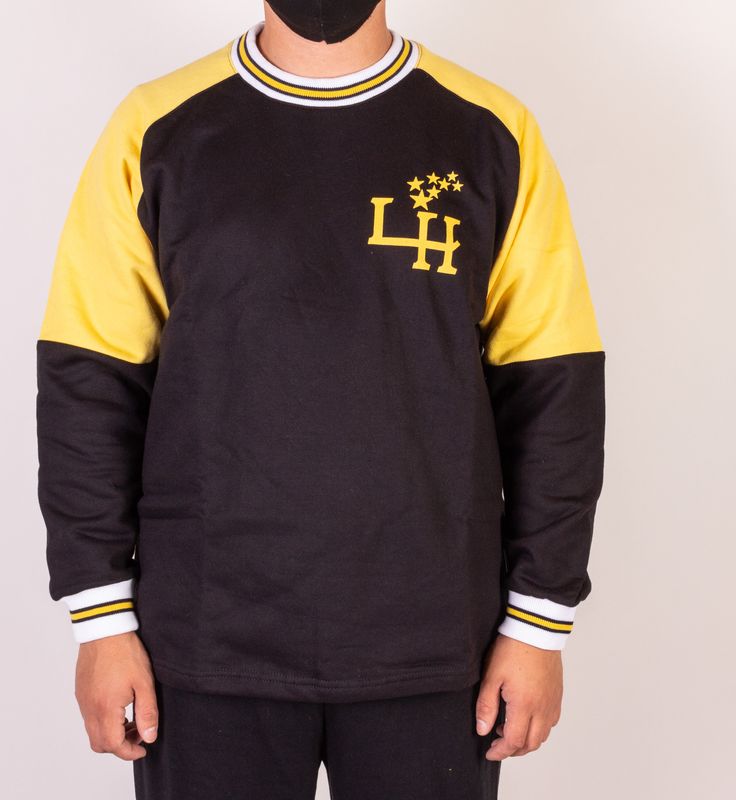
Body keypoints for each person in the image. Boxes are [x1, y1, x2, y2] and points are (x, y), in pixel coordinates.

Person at [35, 1, 606, 797]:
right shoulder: (156, 128)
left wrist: (538, 623)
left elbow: (554, 393)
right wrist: (101, 619)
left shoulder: (490, 131)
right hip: (204, 639)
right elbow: (90, 384)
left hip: (436, 639)